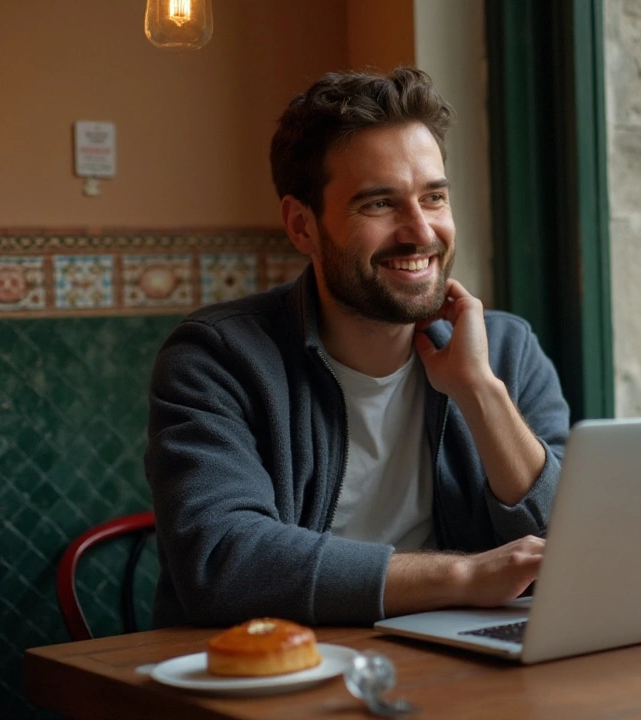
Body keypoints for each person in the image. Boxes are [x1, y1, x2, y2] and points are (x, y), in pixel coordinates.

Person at [144, 67, 570, 628]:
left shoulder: (506, 349)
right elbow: (224, 562)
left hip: (457, 671)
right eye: (379, 204)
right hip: (272, 679)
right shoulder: (216, 359)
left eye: (434, 197)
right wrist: (463, 577)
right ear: (302, 227)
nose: (420, 232)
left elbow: (570, 547)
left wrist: (478, 391)